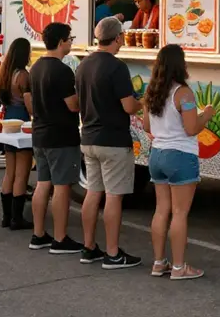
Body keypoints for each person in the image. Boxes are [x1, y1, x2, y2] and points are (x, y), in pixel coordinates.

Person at [76, 17, 142, 269]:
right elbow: (128, 106)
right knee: (114, 197)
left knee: (93, 193)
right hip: (113, 140)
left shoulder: (83, 64)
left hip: (88, 137)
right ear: (117, 38)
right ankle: (113, 253)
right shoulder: (117, 67)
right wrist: (143, 102)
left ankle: (88, 247)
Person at [144, 44, 214, 280]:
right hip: (180, 156)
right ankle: (179, 267)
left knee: (161, 210)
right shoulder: (184, 94)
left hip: (157, 155)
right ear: (180, 65)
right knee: (180, 213)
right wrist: (207, 115)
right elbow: (192, 128)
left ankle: (158, 263)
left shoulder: (151, 92)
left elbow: (147, 126)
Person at [28, 22, 82, 254]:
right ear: (61, 42)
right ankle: (60, 238)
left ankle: (39, 233)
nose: (71, 42)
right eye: (70, 39)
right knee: (61, 187)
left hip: (40, 133)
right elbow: (73, 105)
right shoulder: (62, 71)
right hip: (61, 135)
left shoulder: (36, 67)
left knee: (43, 184)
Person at [0, 37, 34, 230]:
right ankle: (17, 218)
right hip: (22, 121)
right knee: (22, 172)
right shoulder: (23, 76)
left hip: (8, 119)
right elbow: (30, 105)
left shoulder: (5, 73)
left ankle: (6, 216)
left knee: (10, 171)